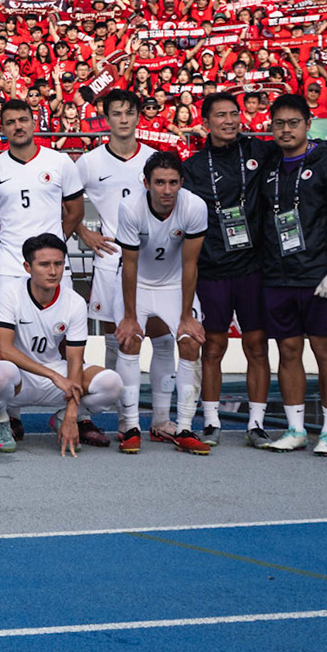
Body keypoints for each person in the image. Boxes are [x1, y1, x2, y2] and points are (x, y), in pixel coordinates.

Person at [182, 91, 327, 446]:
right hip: (219, 268)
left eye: (234, 114)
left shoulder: (263, 151)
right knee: (216, 348)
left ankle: (269, 425)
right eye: (220, 115)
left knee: (264, 347)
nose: (228, 120)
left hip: (259, 269)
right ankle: (216, 422)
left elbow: (303, 142)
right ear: (205, 123)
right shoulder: (194, 167)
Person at [0, 97, 101, 446]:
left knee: (68, 337)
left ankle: (73, 411)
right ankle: (11, 418)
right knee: (9, 344)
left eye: (23, 120)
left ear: (35, 123)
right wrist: (11, 245)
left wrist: (54, 246)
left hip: (52, 262)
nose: (18, 126)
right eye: (10, 122)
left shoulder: (59, 162)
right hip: (11, 267)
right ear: (2, 129)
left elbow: (75, 210)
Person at [256, 94, 327, 456]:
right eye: (279, 124)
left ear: (308, 124)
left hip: (320, 275)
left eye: (293, 123)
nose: (286, 130)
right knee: (287, 350)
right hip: (277, 274)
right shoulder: (268, 159)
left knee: (324, 350)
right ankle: (296, 428)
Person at [0, 234, 124, 457]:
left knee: (112, 384)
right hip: (20, 377)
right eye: (44, 264)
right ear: (27, 267)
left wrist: (71, 414)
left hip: (55, 377)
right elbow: (4, 350)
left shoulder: (75, 302)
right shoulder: (9, 293)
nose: (53, 271)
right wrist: (53, 375)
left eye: (58, 264)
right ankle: (3, 422)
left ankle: (60, 419)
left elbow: (75, 360)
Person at [112, 152, 211, 455]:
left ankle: (181, 427)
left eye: (172, 183)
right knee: (130, 341)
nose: (166, 190)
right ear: (146, 183)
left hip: (174, 282)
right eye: (159, 183)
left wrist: (186, 316)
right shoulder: (130, 208)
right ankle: (129, 426)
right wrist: (130, 317)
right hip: (137, 282)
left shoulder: (194, 206)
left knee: (191, 342)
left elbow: (190, 262)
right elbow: (129, 265)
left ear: (181, 182)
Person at [76, 89, 153, 408]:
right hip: (110, 259)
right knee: (113, 332)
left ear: (138, 116)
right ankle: (112, 395)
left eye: (129, 113)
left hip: (149, 259)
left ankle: (138, 409)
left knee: (152, 335)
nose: (123, 119)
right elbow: (62, 202)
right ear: (105, 119)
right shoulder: (89, 161)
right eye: (116, 114)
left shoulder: (152, 158)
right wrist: (84, 233)